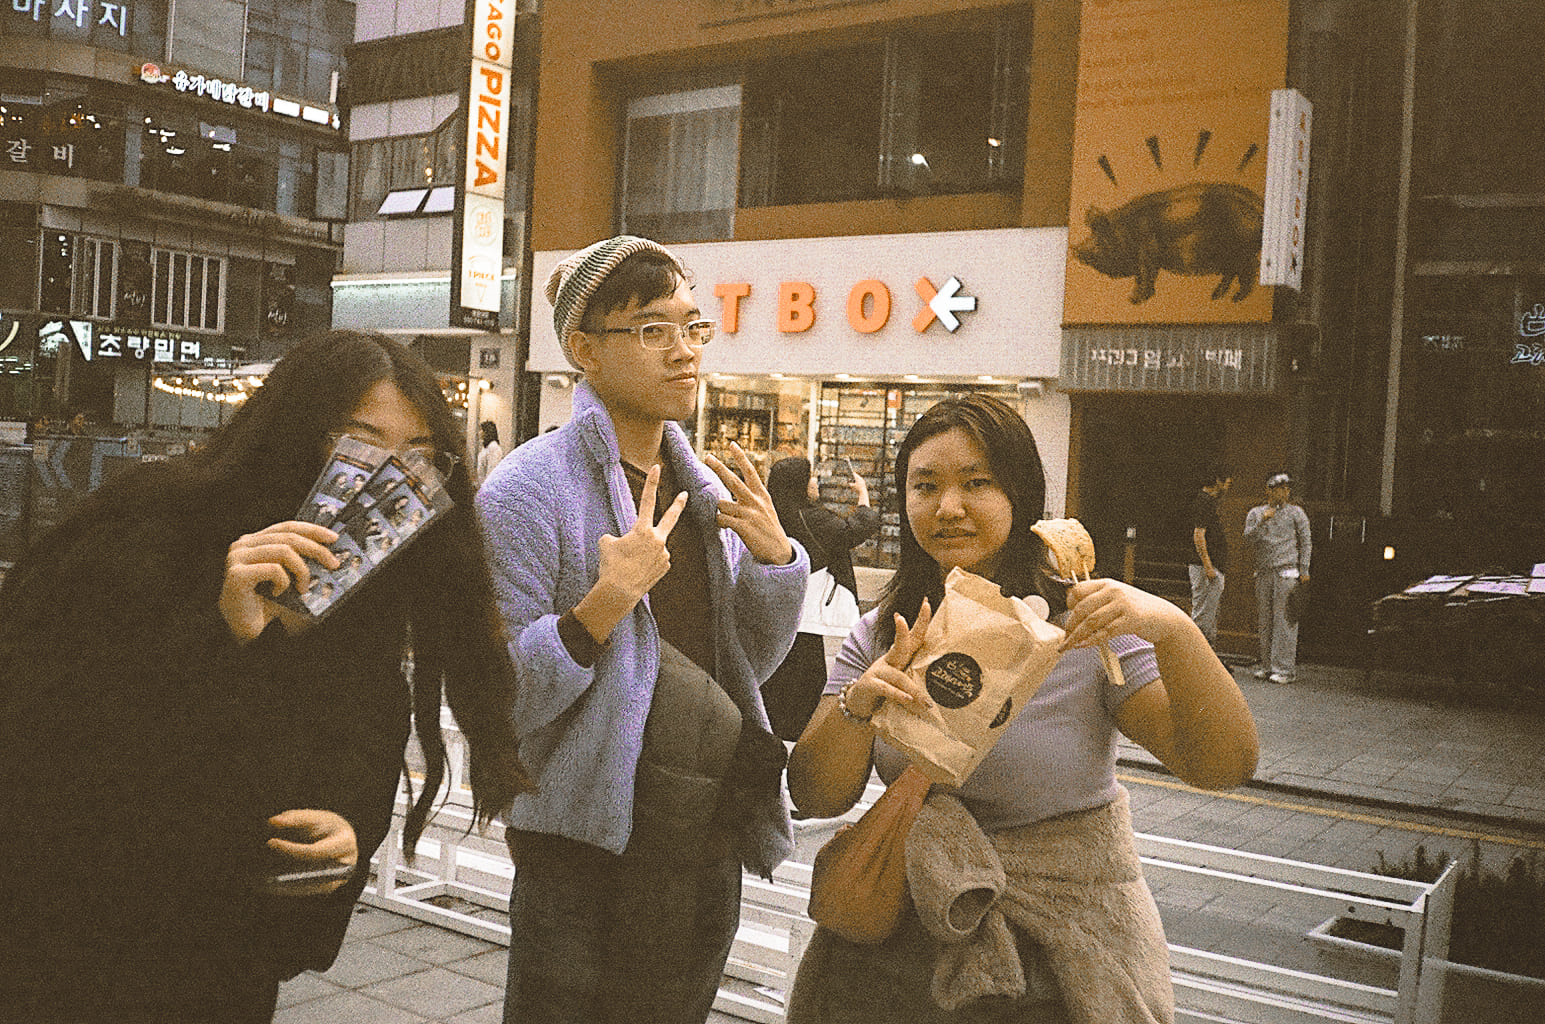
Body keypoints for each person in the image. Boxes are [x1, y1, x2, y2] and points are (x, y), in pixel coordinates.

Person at [0, 330, 531, 1022]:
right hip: (72, 929)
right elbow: (44, 711)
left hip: (225, 955)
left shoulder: (369, 583)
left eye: (415, 455)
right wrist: (224, 627)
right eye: (359, 440)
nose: (381, 477)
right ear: (292, 431)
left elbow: (365, 733)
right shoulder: (152, 517)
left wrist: (347, 829)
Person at [785, 393, 1258, 1024]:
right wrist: (857, 706)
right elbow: (817, 796)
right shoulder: (883, 633)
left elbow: (1222, 763)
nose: (948, 507)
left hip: (1060, 962)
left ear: (1020, 494)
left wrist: (1173, 629)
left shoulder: (1087, 626)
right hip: (902, 948)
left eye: (976, 483)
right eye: (925, 486)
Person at [476, 235, 807, 1024]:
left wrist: (774, 563)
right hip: (586, 845)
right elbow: (496, 698)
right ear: (584, 350)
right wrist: (600, 609)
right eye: (651, 330)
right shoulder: (526, 490)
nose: (683, 352)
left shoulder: (700, 492)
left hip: (705, 824)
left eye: (694, 328)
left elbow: (742, 668)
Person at [761, 455, 880, 741]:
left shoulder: (770, 514)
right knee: (804, 686)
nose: (816, 482)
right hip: (808, 613)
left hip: (776, 611)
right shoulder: (810, 517)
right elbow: (855, 530)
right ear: (799, 484)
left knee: (773, 679)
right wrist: (863, 494)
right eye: (811, 477)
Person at [1243, 471, 1312, 683]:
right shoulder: (1256, 513)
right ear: (1269, 490)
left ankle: (1284, 668)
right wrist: (1262, 521)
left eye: (1286, 488)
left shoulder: (1296, 513)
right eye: (1279, 488)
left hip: (1287, 570)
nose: (1284, 492)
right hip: (1264, 571)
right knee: (1265, 620)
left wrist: (1304, 569)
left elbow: (1306, 541)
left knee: (1284, 620)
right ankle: (1267, 665)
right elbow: (1248, 538)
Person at [1187, 463, 1233, 648]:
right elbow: (1199, 534)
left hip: (1212, 565)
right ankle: (1199, 650)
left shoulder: (1209, 502)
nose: (1228, 486)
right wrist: (1207, 565)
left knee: (1211, 610)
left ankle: (1209, 651)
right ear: (1218, 481)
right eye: (1227, 482)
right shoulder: (1203, 502)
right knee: (1204, 610)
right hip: (1206, 567)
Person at [477, 419, 505, 485]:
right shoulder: (485, 448)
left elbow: (491, 470)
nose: (479, 433)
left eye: (481, 430)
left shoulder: (493, 448)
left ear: (487, 432)